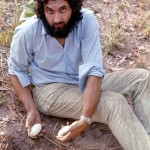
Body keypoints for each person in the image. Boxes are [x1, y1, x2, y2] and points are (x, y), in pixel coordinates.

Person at [8, 0, 150, 149]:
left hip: (81, 81)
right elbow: (16, 70)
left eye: (63, 10)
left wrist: (85, 119)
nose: (57, 19)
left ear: (74, 8)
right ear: (43, 10)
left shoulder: (86, 21)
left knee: (142, 78)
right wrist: (31, 109)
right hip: (50, 91)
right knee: (113, 103)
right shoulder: (27, 31)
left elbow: (94, 69)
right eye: (50, 11)